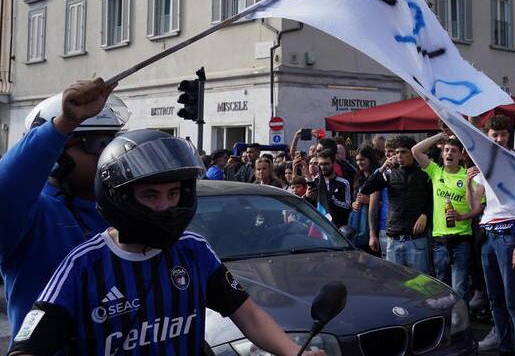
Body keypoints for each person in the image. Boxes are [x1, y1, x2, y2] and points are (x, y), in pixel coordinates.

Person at [8, 129, 321, 356]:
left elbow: (248, 314)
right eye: (150, 195)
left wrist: (294, 352)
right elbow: (29, 346)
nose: (164, 207)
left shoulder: (194, 250)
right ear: (118, 196)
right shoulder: (85, 264)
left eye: (173, 194)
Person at [0, 78, 127, 345]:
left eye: (111, 141)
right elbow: (7, 187)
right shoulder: (34, 214)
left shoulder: (122, 210)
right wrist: (64, 123)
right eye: (94, 145)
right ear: (58, 156)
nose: (107, 154)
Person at [467, 115, 515, 356]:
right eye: (494, 135)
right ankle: (506, 348)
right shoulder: (483, 163)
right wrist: (468, 183)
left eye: (503, 134)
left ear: (509, 135)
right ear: (488, 136)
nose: (499, 138)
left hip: (510, 232)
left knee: (513, 299)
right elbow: (475, 207)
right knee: (495, 298)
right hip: (487, 233)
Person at [412, 133, 478, 300]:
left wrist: (463, 216)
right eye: (447, 150)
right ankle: (446, 323)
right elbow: (416, 150)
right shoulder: (436, 171)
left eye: (454, 151)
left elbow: (478, 207)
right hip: (439, 239)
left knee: (460, 287)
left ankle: (460, 324)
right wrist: (439, 136)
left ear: (461, 155)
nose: (449, 153)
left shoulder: (468, 176)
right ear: (442, 154)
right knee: (442, 286)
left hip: (461, 239)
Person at [360, 136, 433, 273]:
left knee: (419, 285)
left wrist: (425, 214)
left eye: (404, 152)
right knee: (395, 285)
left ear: (412, 153)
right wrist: (381, 168)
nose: (399, 155)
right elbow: (366, 189)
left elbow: (432, 200)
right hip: (393, 239)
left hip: (416, 240)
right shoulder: (389, 172)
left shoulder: (424, 174)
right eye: (397, 152)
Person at [308, 149, 354, 228]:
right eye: (321, 164)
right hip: (318, 226)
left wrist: (331, 199)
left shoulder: (343, 183)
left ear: (333, 163)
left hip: (337, 227)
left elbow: (347, 206)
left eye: (326, 164)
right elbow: (310, 204)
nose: (323, 167)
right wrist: (307, 196)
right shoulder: (315, 181)